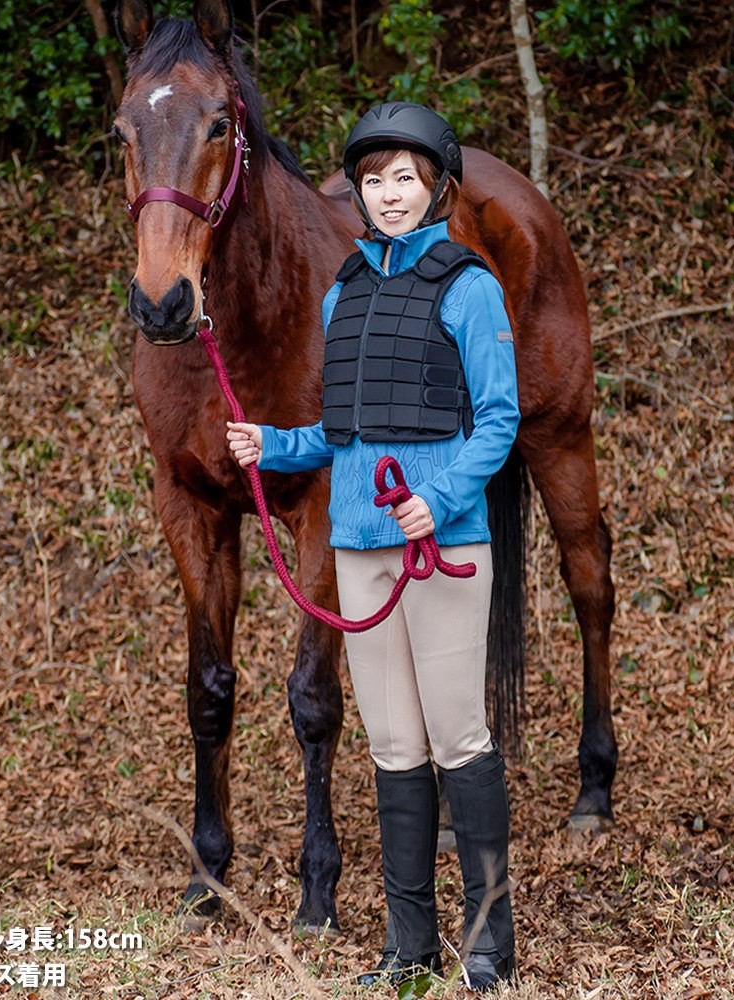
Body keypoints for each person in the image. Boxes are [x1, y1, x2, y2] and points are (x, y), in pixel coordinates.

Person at [226, 102, 519, 991]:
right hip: (358, 548)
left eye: (405, 179)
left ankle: (488, 940)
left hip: (444, 547)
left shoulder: (470, 287)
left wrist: (439, 498)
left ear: (433, 189)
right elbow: (344, 431)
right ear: (357, 190)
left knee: (459, 737)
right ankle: (409, 946)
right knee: (391, 744)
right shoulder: (341, 291)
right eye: (375, 179)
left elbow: (498, 418)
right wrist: (273, 447)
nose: (388, 194)